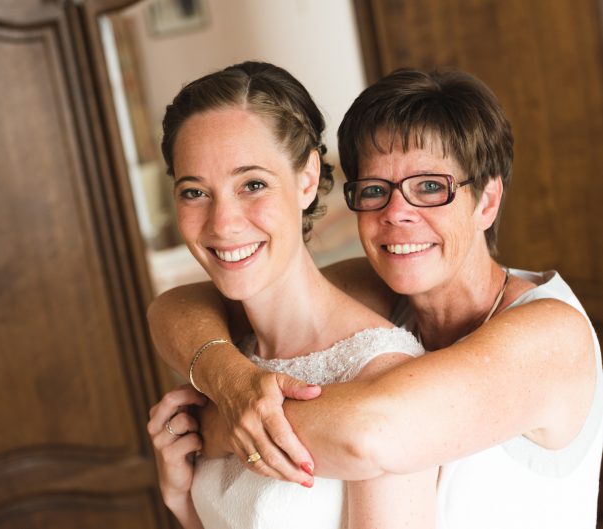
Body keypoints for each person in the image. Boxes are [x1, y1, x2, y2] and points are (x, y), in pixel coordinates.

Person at [147, 67, 603, 528]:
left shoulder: (553, 335)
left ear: (486, 202)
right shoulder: (383, 288)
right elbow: (176, 307)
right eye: (374, 191)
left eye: (429, 187)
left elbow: (372, 432)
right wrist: (227, 378)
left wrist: (215, 425)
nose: (397, 215)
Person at [146, 61, 438, 529]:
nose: (222, 224)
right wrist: (179, 498)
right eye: (195, 192)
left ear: (306, 179)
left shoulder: (383, 376)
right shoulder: (227, 365)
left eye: (253, 184)